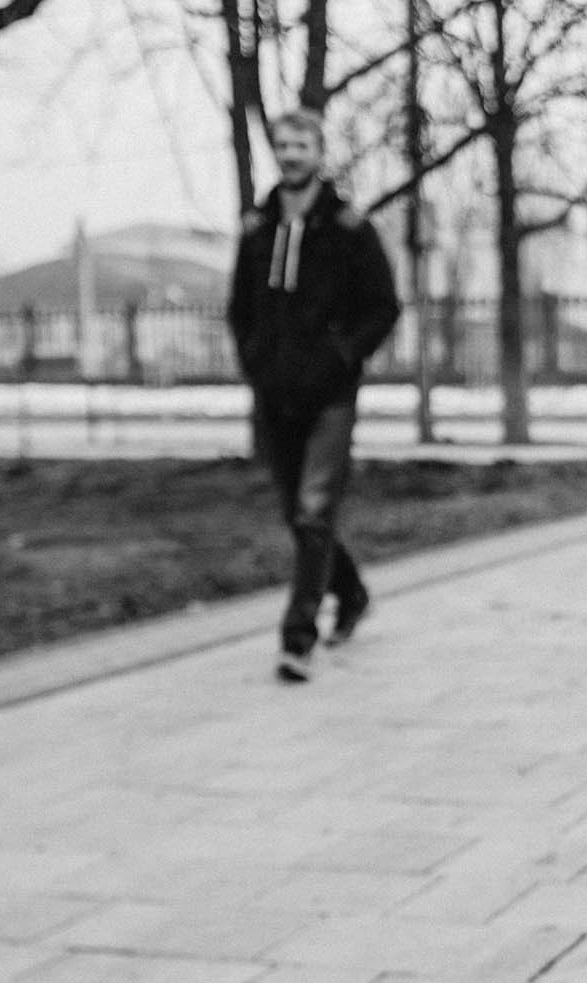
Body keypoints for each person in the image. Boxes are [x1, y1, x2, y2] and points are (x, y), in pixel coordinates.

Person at [227, 106, 401, 683]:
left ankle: (297, 639)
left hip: (330, 396)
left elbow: (383, 308)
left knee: (314, 509)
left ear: (320, 151)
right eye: (282, 144)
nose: (291, 154)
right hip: (274, 395)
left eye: (301, 144)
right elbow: (239, 309)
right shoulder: (257, 227)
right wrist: (255, 363)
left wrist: (343, 357)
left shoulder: (349, 227)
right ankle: (349, 593)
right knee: (298, 516)